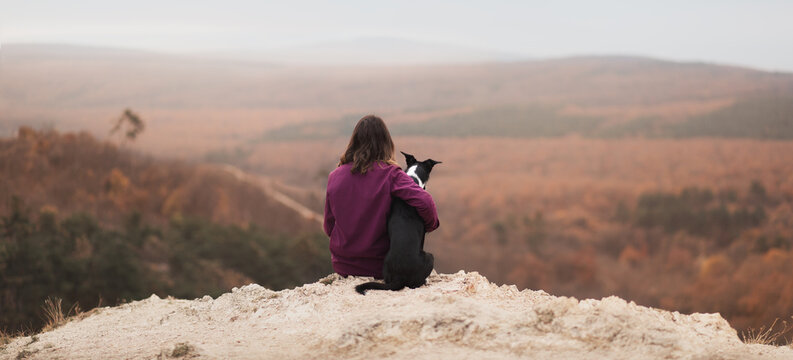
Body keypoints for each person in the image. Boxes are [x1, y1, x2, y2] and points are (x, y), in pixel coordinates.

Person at [323, 115, 439, 278]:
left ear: (353, 143)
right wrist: (429, 226)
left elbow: (329, 227)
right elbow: (425, 201)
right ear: (386, 144)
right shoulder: (391, 175)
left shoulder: (334, 176)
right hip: (380, 267)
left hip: (343, 266)